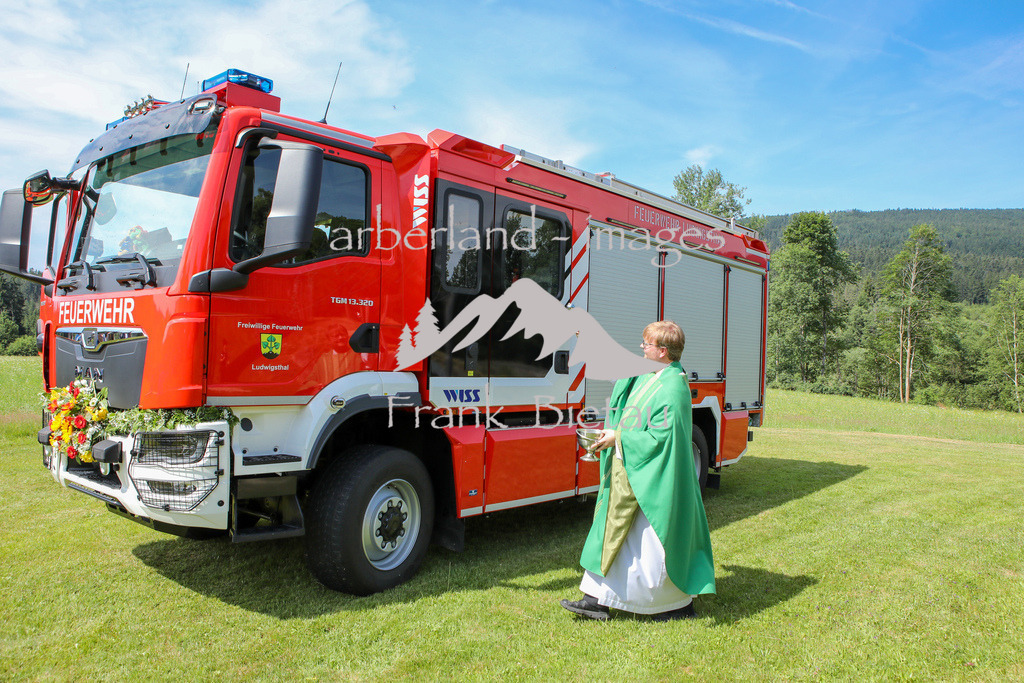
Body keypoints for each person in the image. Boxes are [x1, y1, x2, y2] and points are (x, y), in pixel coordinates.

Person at [561, 320, 715, 621]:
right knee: (613, 532)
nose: (641, 348)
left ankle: (671, 606)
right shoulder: (652, 374)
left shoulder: (672, 387)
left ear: (662, 351)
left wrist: (618, 437)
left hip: (653, 483)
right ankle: (596, 600)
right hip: (630, 470)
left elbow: (663, 438)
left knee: (650, 546)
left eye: (646, 344)